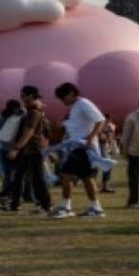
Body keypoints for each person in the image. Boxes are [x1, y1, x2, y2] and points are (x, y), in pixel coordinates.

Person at [48, 82, 107, 218]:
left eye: (63, 97)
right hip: (77, 146)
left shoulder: (84, 103)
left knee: (66, 174)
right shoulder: (75, 107)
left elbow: (100, 120)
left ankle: (66, 207)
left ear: (71, 93)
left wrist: (90, 138)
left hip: (83, 147)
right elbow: (77, 125)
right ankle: (95, 208)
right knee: (86, 177)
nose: (62, 101)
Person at [1, 86, 53, 214]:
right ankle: (15, 204)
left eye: (23, 95)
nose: (21, 98)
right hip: (28, 150)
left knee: (37, 178)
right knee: (19, 176)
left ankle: (46, 205)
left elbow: (29, 132)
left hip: (33, 150)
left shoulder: (34, 113)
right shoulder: (32, 111)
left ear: (30, 96)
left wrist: (16, 148)